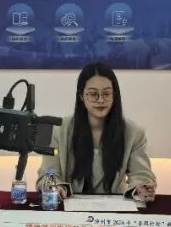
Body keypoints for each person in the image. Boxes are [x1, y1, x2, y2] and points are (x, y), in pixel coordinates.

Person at [39, 62, 157, 201]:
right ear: (81, 96)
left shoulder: (134, 133)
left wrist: (141, 188)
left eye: (106, 93)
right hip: (70, 206)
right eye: (93, 94)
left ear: (114, 95)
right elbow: (48, 175)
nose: (100, 100)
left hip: (114, 208)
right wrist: (55, 186)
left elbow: (141, 175)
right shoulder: (58, 130)